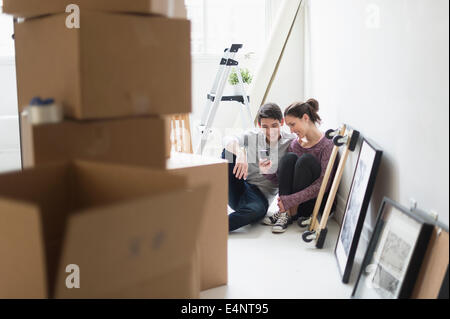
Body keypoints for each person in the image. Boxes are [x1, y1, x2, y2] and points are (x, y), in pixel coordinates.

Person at [260, 98, 336, 233]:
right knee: (289, 158)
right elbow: (283, 180)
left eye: (293, 124)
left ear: (305, 118)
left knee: (306, 160)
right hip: (290, 202)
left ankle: (288, 212)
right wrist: (267, 172)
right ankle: (285, 214)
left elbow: (322, 185)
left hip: (312, 203)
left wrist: (289, 200)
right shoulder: (295, 144)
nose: (291, 130)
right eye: (289, 126)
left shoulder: (327, 144)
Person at [222, 103, 296, 232]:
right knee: (228, 151)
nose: (270, 131)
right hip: (239, 186)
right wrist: (240, 153)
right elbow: (227, 139)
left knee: (257, 211)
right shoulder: (253, 136)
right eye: (265, 127)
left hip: (259, 196)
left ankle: (215, 226)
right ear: (259, 125)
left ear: (282, 122)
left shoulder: (290, 142)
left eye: (274, 126)